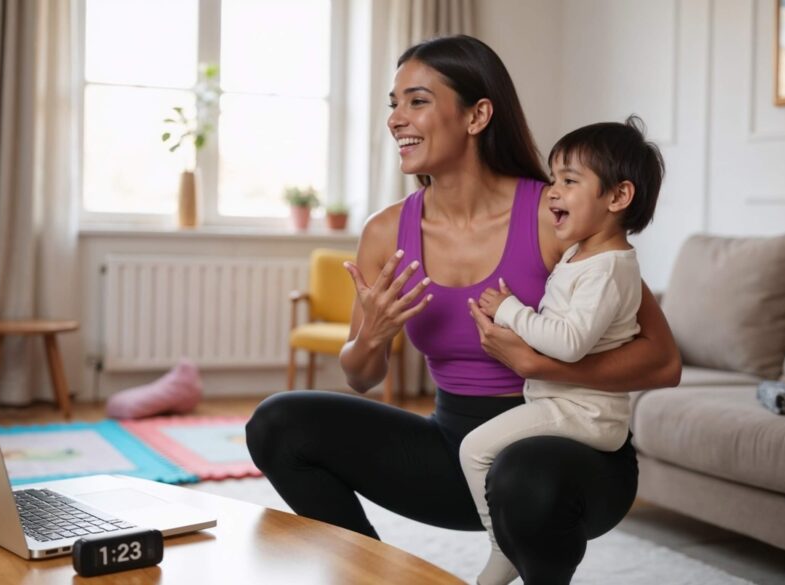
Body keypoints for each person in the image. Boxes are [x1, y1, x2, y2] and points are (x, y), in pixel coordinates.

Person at [245, 35, 681, 585]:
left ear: (477, 115)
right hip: (457, 450)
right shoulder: (386, 231)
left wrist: (538, 365)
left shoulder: (553, 212)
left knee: (525, 473)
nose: (396, 118)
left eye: (417, 101)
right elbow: (361, 377)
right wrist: (371, 338)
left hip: (569, 460)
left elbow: (663, 363)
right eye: (393, 103)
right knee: (278, 423)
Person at [461, 115, 665, 585]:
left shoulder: (609, 269)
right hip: (566, 404)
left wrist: (511, 311)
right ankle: (507, 545)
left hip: (584, 414)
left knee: (475, 450)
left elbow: (569, 344)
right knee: (484, 451)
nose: (552, 191)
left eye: (569, 181)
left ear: (618, 197)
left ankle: (502, 548)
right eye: (553, 178)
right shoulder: (580, 254)